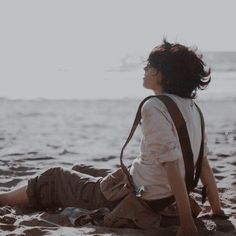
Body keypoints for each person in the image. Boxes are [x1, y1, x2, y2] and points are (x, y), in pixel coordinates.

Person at [0, 39, 224, 236]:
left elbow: (172, 165)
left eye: (149, 65)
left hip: (141, 196)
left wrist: (187, 224)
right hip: (154, 190)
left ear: (162, 74)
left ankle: (3, 198)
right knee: (82, 168)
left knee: (54, 177)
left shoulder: (155, 106)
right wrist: (217, 211)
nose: (145, 69)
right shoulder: (193, 109)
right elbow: (203, 164)